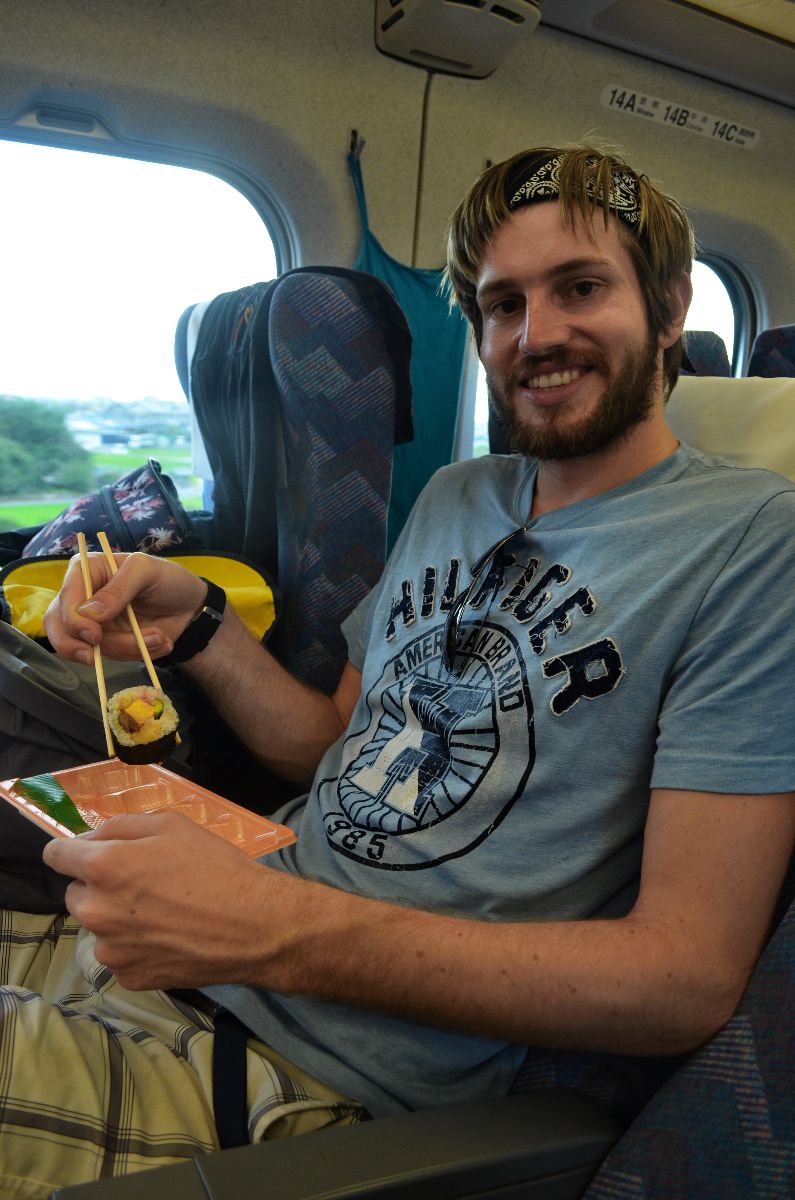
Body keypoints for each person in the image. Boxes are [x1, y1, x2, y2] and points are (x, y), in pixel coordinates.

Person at [3, 142, 795, 1194]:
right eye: (503, 304)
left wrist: (266, 929)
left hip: (302, 1075)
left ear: (668, 306)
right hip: (175, 948)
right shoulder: (459, 495)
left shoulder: (754, 543)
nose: (535, 335)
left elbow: (684, 980)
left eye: (580, 288)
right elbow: (334, 742)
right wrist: (200, 622)